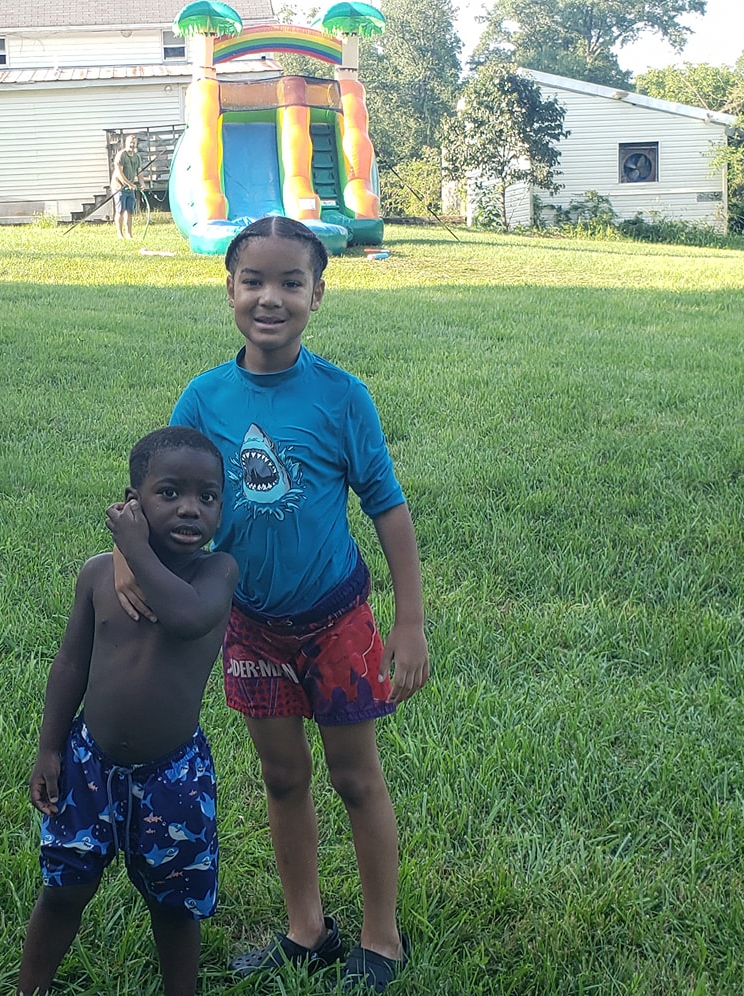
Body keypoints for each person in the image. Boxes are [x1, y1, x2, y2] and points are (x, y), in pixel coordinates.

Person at [115, 216, 430, 992]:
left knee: (356, 779)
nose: (270, 297)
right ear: (228, 290)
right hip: (249, 626)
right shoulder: (205, 396)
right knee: (283, 777)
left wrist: (410, 619)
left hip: (338, 620)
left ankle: (382, 939)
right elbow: (164, 489)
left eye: (291, 282)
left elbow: (387, 506)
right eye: (253, 280)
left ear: (318, 294)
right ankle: (307, 928)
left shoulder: (341, 397)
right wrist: (133, 557)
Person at [16, 427, 239, 996]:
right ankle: (30, 987)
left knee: (174, 904)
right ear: (133, 501)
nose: (190, 508)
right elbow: (70, 665)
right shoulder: (97, 575)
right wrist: (50, 746)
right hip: (89, 764)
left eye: (207, 497)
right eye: (170, 493)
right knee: (63, 888)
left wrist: (133, 546)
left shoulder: (217, 575)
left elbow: (186, 618)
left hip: (174, 777)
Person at [113, 135, 143, 240]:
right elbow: (119, 173)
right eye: (130, 142)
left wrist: (142, 183)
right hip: (119, 187)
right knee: (120, 211)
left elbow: (139, 173)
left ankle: (129, 234)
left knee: (129, 211)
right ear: (126, 143)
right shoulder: (121, 155)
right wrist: (128, 184)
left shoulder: (137, 157)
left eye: (134, 143)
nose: (132, 145)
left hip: (130, 188)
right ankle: (120, 234)